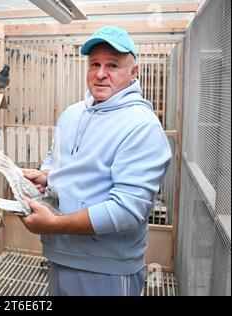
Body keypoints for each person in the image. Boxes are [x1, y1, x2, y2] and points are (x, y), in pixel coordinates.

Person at [20, 26, 172, 296]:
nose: (101, 73)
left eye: (112, 65)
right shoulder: (71, 113)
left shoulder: (141, 126)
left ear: (133, 72)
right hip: (60, 255)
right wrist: (47, 176)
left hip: (106, 269)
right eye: (95, 64)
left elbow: (126, 210)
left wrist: (53, 224)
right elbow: (55, 157)